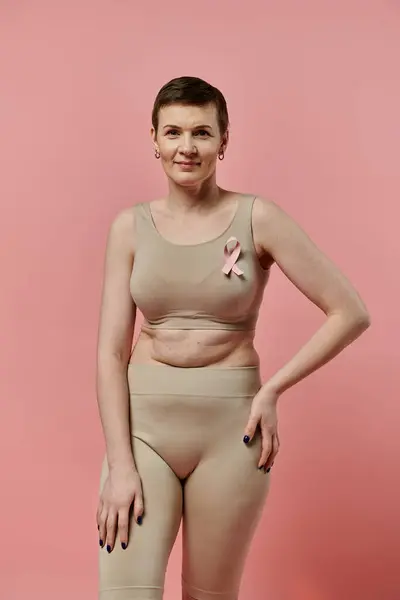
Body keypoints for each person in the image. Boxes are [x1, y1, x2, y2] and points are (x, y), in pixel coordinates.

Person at [95, 76, 371, 600]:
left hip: (231, 433)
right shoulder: (128, 228)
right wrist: (120, 464)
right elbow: (110, 354)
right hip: (143, 431)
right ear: (153, 139)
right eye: (173, 132)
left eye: (202, 132)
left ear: (224, 141)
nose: (187, 146)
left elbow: (350, 311)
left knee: (210, 595)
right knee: (124, 592)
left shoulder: (256, 218)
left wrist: (272, 390)